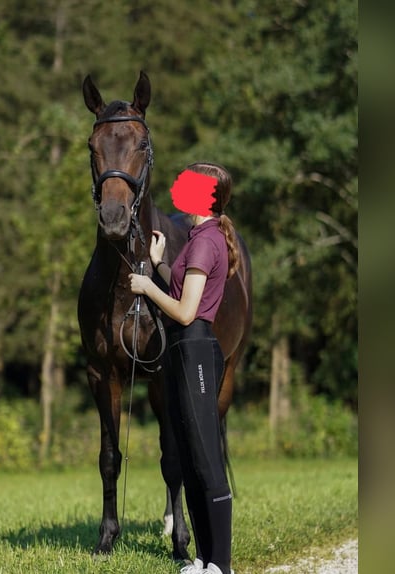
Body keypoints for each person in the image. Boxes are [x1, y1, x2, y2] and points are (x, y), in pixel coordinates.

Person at [129, 162, 240, 574]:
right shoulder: (198, 239)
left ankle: (221, 565)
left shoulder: (206, 242)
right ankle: (203, 559)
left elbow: (186, 310)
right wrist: (159, 264)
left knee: (207, 458)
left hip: (194, 349)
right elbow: (180, 294)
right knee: (190, 456)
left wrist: (147, 286)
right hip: (180, 350)